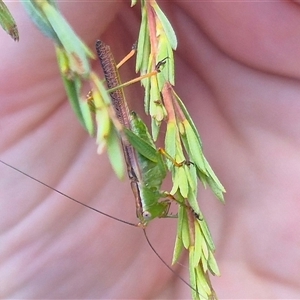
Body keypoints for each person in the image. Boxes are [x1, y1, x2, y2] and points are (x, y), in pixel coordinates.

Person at [1, 1, 300, 298]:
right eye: (148, 214)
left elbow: (157, 164)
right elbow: (164, 181)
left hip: (135, 143)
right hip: (143, 151)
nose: (154, 214)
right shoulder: (154, 203)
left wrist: (174, 174)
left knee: (120, 107)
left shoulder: (147, 193)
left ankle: (136, 67)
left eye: (147, 212)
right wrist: (182, 200)